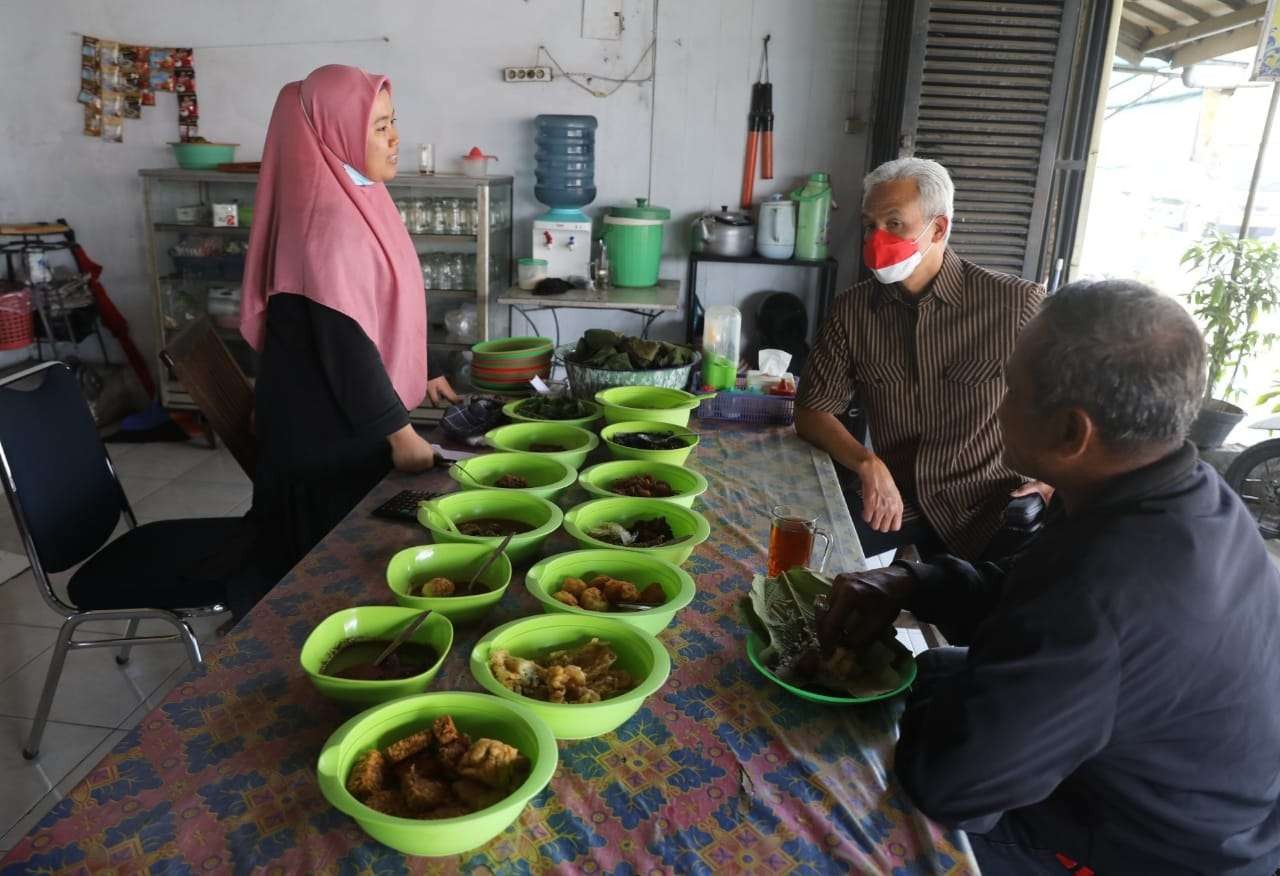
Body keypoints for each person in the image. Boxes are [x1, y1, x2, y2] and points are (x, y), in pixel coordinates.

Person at [816, 280, 1280, 874]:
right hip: (1186, 776)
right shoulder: (1178, 492)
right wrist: (914, 584)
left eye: (1011, 389)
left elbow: (953, 788)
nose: (998, 405)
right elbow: (1028, 588)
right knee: (932, 667)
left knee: (865, 789)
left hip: (1153, 848)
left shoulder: (1105, 595)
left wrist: (932, 696)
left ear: (1071, 433)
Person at [237, 65, 458, 605]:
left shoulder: (358, 194)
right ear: (335, 132)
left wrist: (418, 365)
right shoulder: (326, 222)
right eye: (379, 125)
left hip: (337, 418)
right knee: (334, 579)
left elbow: (386, 297)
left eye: (393, 121)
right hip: (322, 446)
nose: (395, 138)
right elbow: (347, 345)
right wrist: (402, 435)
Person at [795, 157, 1048, 562]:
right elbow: (811, 412)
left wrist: (1055, 483)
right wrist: (867, 462)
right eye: (870, 225)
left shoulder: (1015, 304)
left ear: (939, 228)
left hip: (992, 506)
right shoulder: (854, 310)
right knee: (801, 550)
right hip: (900, 498)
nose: (877, 239)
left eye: (894, 223)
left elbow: (1076, 403)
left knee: (988, 615)